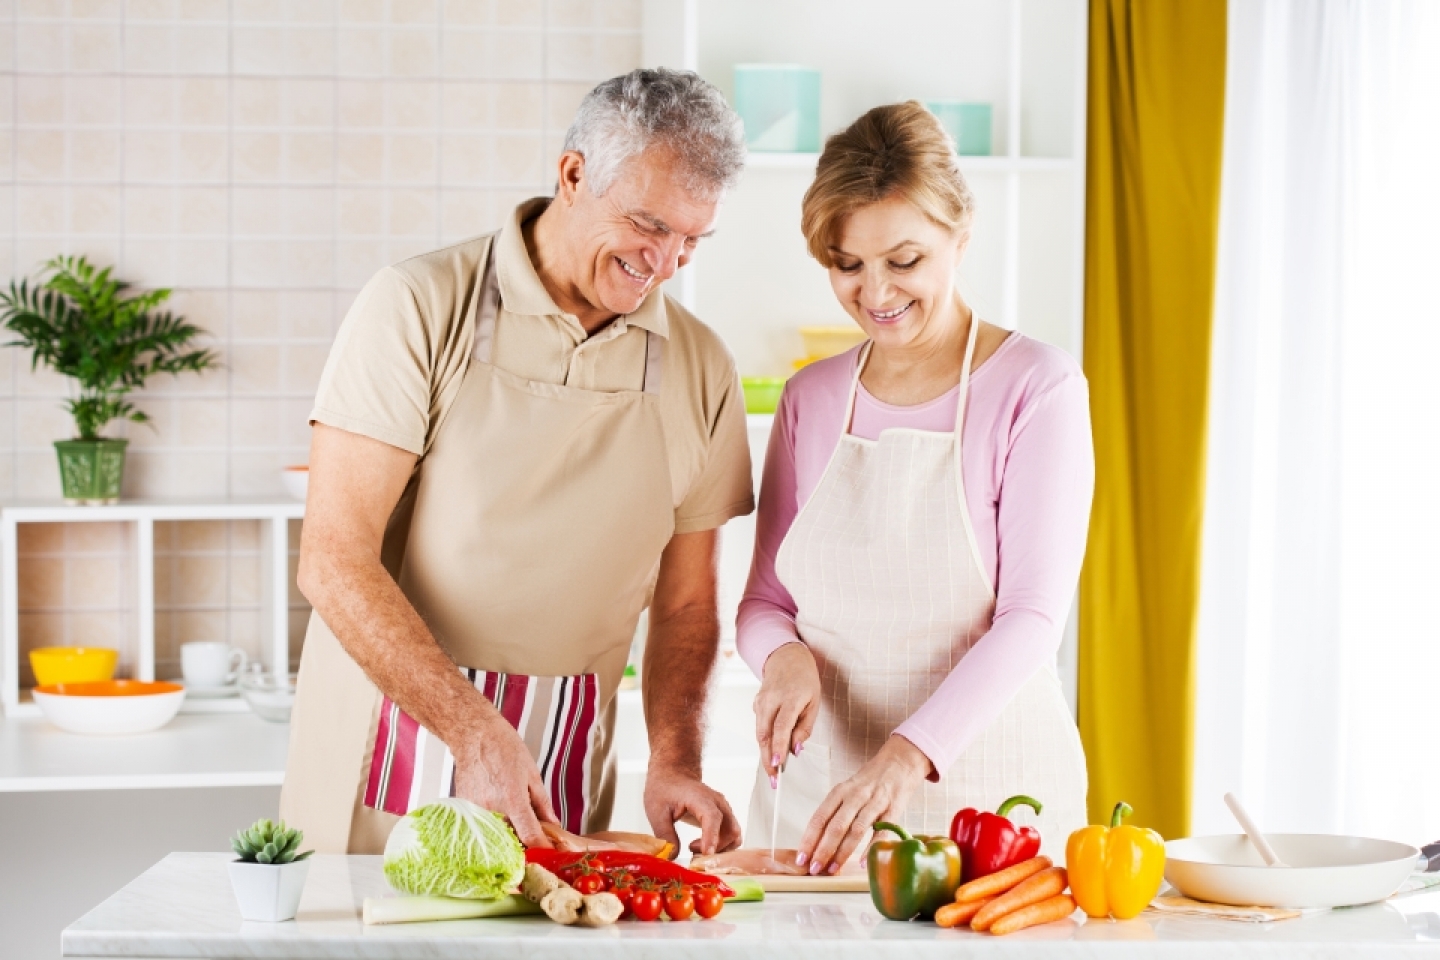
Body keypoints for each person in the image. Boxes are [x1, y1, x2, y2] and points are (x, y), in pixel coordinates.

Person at [279, 68, 754, 857]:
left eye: (691, 240)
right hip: (391, 730)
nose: (665, 261)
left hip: (559, 748)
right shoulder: (419, 306)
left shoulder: (702, 366)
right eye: (647, 223)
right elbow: (332, 559)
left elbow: (686, 608)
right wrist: (472, 731)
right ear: (572, 175)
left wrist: (675, 760)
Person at [738, 101, 1092, 874]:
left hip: (992, 812)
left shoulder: (1038, 385)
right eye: (847, 264)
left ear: (959, 238)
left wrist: (904, 757)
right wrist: (783, 660)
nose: (876, 292)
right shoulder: (811, 397)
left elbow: (1031, 619)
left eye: (905, 261)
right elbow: (765, 603)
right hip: (819, 814)